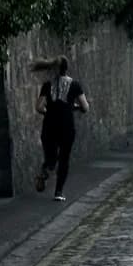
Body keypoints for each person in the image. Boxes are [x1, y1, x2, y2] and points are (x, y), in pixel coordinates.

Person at [30, 55, 89, 201]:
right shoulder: (75, 85)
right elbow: (85, 107)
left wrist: (49, 112)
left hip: (49, 126)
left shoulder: (47, 84)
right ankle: (58, 192)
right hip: (66, 127)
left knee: (51, 157)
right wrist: (73, 107)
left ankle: (46, 169)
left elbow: (38, 107)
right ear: (67, 68)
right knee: (64, 159)